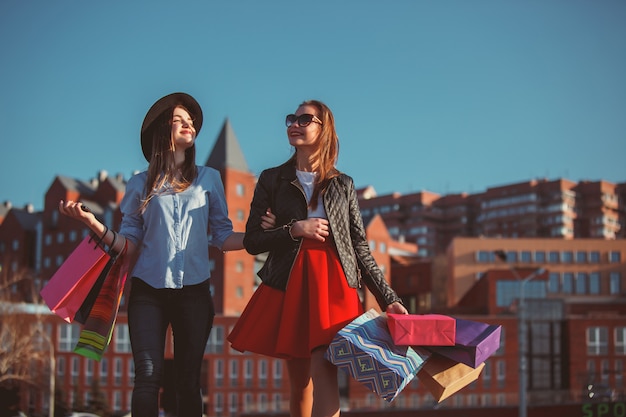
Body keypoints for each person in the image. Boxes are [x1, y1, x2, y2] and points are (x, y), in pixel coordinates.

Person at [59, 92, 255, 417]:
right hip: (148, 293)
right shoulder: (139, 183)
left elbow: (222, 237)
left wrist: (264, 238)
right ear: (163, 130)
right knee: (147, 377)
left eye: (191, 122)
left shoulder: (209, 179)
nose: (188, 125)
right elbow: (128, 246)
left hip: (194, 293)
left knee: (188, 382)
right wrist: (90, 221)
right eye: (179, 120)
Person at [227, 99, 408, 417]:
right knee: (299, 386)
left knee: (324, 370)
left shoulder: (343, 184)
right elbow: (254, 241)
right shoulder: (272, 179)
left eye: (304, 119)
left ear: (325, 129)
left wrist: (388, 297)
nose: (294, 124)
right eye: (291, 119)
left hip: (335, 284)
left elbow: (359, 247)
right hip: (290, 281)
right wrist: (293, 229)